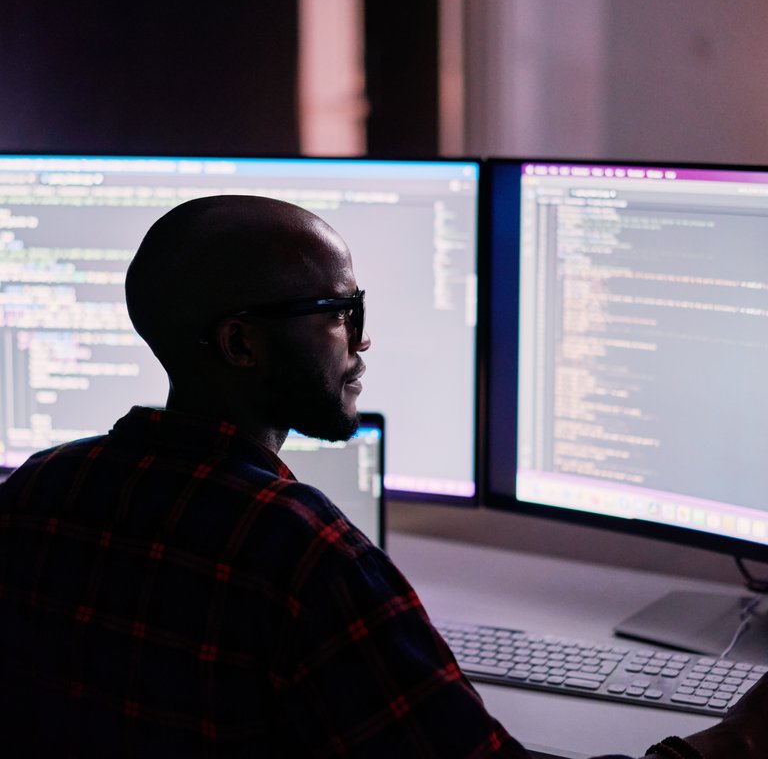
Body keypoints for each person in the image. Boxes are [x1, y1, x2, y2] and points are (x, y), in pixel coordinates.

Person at [0, 194, 766, 758]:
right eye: (339, 313)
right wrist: (737, 740)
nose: (364, 343)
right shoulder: (304, 555)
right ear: (241, 344)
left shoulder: (34, 493)